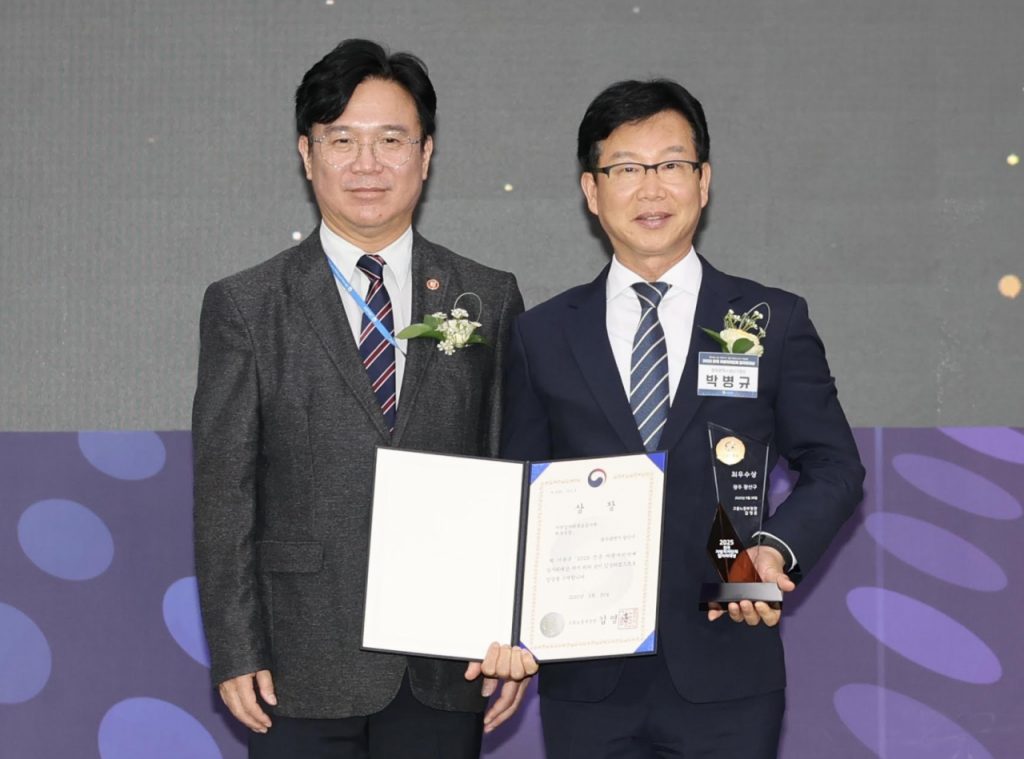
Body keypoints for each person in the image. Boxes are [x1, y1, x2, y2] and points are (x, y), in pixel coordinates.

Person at [501, 78, 864, 758]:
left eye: (670, 164)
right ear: (591, 191)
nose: (651, 188)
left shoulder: (772, 320)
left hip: (728, 669)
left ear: (703, 181)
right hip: (587, 678)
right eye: (626, 169)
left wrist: (772, 551)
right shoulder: (541, 335)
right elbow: (516, 492)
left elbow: (835, 466)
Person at [192, 39, 535, 759]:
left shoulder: (489, 296)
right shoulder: (247, 305)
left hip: (447, 660)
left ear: (426, 153)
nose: (367, 163)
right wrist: (235, 647)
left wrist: (516, 631)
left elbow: (513, 473)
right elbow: (225, 492)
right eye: (342, 140)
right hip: (297, 661)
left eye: (391, 140)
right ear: (307, 153)